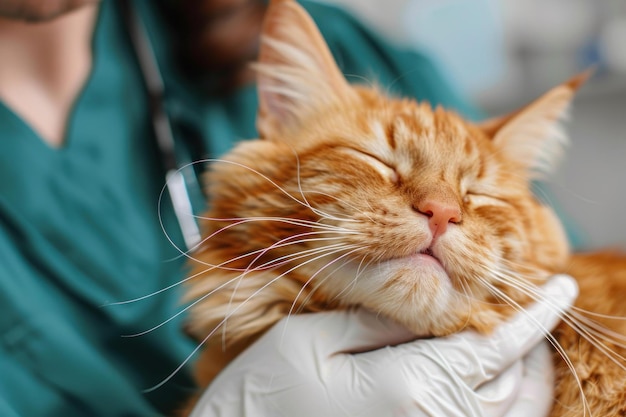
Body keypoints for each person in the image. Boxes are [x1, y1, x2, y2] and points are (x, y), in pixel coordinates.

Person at [0, 1, 578, 416]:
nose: (441, 210)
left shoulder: (321, 37)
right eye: (378, 163)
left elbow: (549, 251)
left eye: (470, 198)